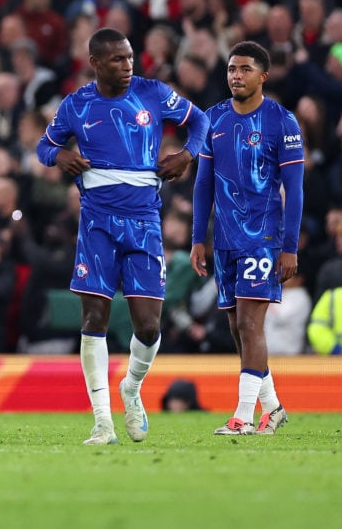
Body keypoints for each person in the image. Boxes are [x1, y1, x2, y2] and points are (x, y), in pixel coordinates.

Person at [36, 28, 209, 445]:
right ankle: (102, 422)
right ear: (95, 62)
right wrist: (60, 154)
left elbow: (201, 121)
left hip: (145, 221)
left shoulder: (152, 93)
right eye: (117, 59)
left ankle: (130, 389)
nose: (128, 66)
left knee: (148, 327)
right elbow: (44, 146)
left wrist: (186, 155)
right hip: (96, 222)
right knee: (93, 318)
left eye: (130, 57)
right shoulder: (77, 104)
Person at [190, 41, 303, 436]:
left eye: (245, 69)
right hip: (224, 239)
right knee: (238, 328)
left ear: (263, 76)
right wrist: (197, 238)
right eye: (231, 69)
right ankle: (272, 407)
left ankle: (243, 417)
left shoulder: (282, 121)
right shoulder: (213, 118)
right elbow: (203, 183)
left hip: (263, 237)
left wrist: (289, 246)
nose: (236, 75)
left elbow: (296, 190)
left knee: (251, 324)